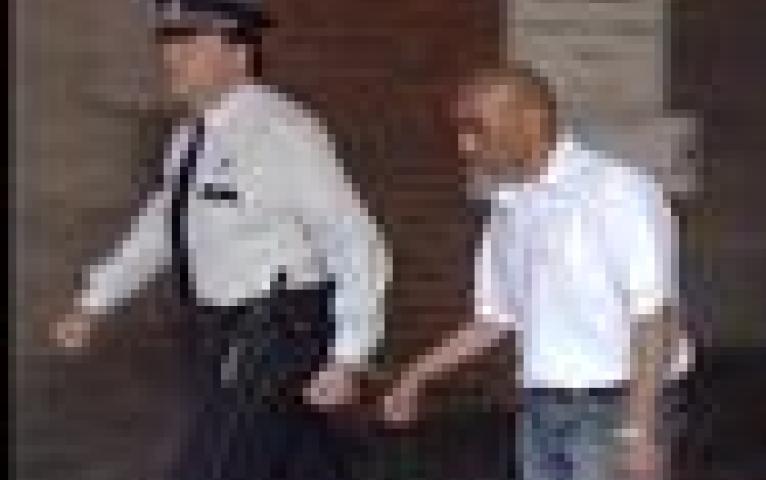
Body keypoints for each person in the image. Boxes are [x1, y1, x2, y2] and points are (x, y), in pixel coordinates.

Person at [49, 1, 391, 478]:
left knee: (213, 465)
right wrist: (94, 301)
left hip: (272, 333)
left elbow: (354, 239)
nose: (172, 55)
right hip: (216, 332)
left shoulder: (281, 131)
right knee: (299, 464)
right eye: (168, 41)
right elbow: (162, 227)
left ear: (238, 54)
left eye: (189, 42)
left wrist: (350, 354)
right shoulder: (190, 136)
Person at [379, 65, 684, 480]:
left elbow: (654, 317)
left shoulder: (618, 192)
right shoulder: (508, 204)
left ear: (532, 119)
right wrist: (416, 375)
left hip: (614, 408)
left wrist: (639, 431)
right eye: (459, 131)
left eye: (477, 128)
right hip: (540, 406)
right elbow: (493, 318)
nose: (465, 146)